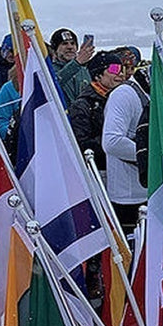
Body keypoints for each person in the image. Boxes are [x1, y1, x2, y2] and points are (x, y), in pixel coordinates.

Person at [101, 64, 150, 234]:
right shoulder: (124, 94)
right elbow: (111, 141)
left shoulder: (161, 92)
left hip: (154, 189)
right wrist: (153, 156)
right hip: (129, 196)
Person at [69, 51, 124, 180]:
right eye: (114, 69)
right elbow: (81, 144)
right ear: (98, 75)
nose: (120, 74)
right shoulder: (83, 104)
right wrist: (112, 138)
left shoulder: (122, 99)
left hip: (121, 169)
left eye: (122, 69)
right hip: (98, 172)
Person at [50, 27, 94, 107]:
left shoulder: (83, 71)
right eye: (64, 43)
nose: (70, 47)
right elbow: (53, 84)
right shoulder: (49, 70)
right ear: (55, 49)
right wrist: (76, 63)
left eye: (73, 43)